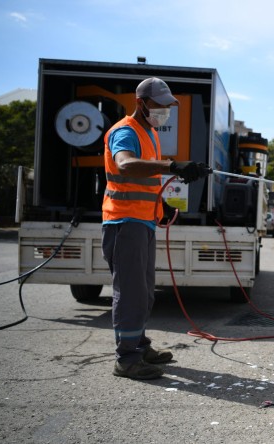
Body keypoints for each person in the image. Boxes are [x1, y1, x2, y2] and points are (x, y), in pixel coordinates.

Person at [102, 77, 209, 380]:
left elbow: (145, 181)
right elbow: (125, 165)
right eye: (160, 105)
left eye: (168, 106)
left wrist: (164, 208)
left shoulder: (149, 133)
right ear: (141, 103)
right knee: (132, 293)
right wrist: (172, 166)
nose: (165, 111)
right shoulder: (125, 131)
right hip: (124, 224)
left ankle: (139, 345)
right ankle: (126, 359)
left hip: (142, 222)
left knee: (145, 292)